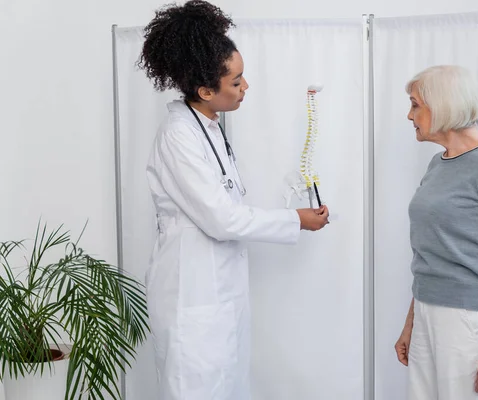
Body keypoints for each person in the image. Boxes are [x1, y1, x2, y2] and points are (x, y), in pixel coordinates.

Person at [138, 1, 330, 399]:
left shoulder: (206, 126)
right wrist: (294, 220)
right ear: (206, 90)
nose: (246, 88)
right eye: (237, 82)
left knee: (226, 385)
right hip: (191, 296)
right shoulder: (179, 135)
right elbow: (222, 219)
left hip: (218, 296)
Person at [394, 65, 478, 400]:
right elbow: (433, 252)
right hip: (427, 311)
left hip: (467, 320)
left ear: (440, 106)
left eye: (415, 105)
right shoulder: (438, 164)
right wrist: (412, 322)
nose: (409, 115)